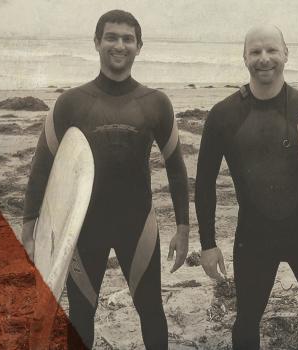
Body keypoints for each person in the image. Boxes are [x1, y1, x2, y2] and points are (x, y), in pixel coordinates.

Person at [22, 10, 189, 350]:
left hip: (138, 226)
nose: (119, 45)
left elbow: (175, 167)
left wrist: (184, 228)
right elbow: (42, 167)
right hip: (83, 228)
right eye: (111, 37)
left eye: (128, 39)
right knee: (82, 315)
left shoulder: (156, 103)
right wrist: (29, 229)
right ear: (97, 42)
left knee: (151, 310)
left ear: (139, 46)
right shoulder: (70, 103)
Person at [195, 25, 298, 350]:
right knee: (245, 325)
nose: (264, 58)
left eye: (271, 50)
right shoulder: (223, 116)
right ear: (244, 58)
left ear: (286, 53)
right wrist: (208, 244)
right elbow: (204, 183)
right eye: (255, 52)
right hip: (255, 239)